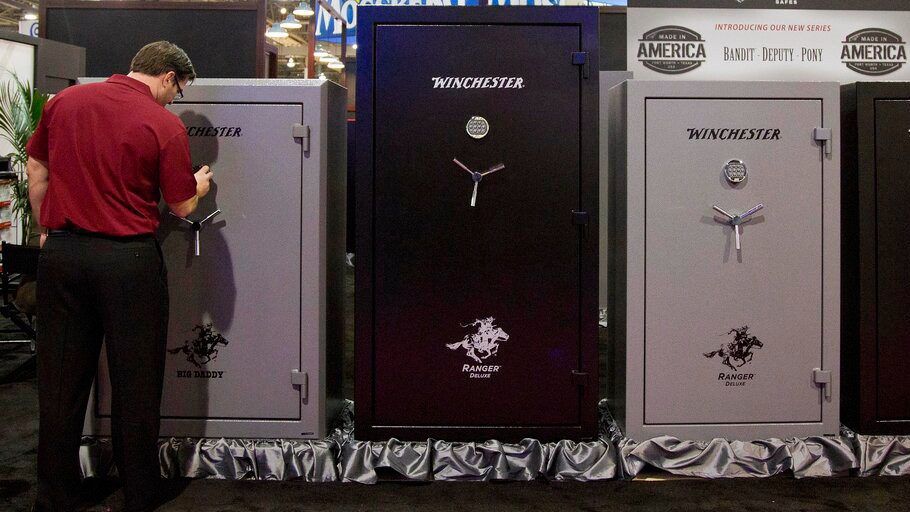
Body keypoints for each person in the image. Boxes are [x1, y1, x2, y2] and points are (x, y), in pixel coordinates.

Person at [25, 41, 213, 511]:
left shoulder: (64, 102)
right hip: (128, 262)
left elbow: (36, 168)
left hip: (64, 255)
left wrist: (46, 232)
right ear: (169, 76)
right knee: (136, 380)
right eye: (179, 90)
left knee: (61, 381)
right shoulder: (163, 123)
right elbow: (182, 204)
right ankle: (139, 491)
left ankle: (58, 493)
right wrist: (202, 184)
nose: (176, 100)